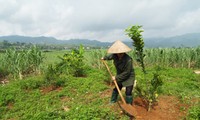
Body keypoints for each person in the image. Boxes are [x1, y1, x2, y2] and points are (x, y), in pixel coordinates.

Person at [101, 40, 135, 105]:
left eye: (121, 53)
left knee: (128, 92)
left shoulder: (128, 60)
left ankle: (129, 106)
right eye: (118, 53)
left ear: (123, 52)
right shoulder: (115, 55)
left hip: (129, 76)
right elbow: (109, 57)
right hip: (120, 74)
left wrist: (116, 77)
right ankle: (112, 102)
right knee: (116, 88)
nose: (119, 54)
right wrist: (104, 58)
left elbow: (127, 72)